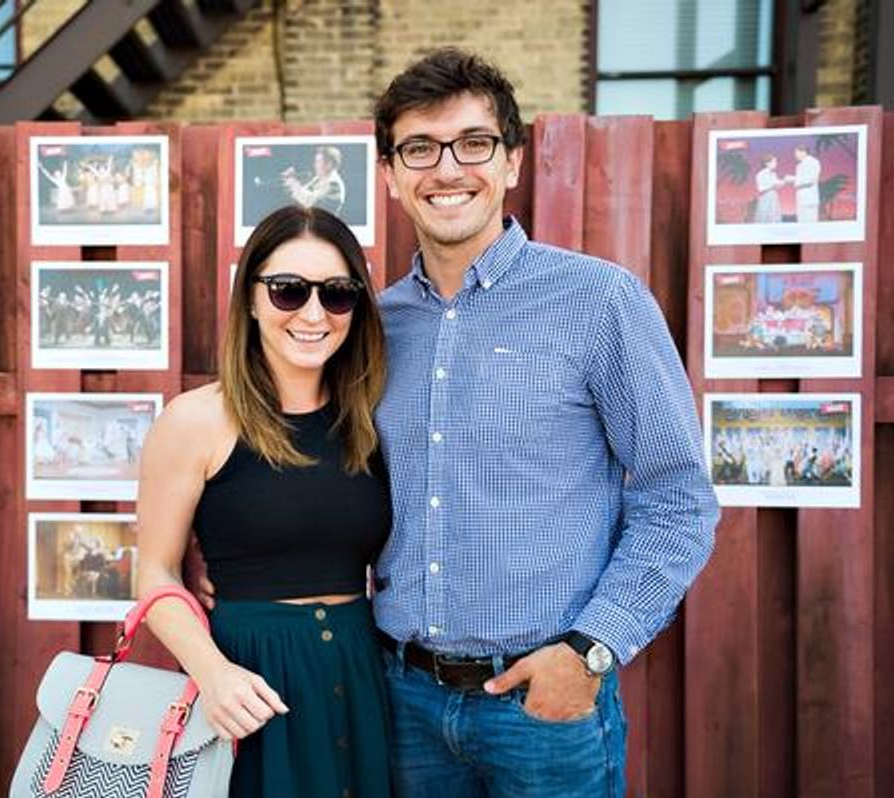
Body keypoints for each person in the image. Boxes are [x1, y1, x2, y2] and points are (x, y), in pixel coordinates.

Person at [359, 48, 720, 798]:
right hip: (404, 702)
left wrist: (590, 652)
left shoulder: (599, 303)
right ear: (391, 175)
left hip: (543, 705)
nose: (447, 168)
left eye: (474, 143)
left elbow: (677, 498)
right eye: (419, 148)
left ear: (512, 162)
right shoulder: (374, 327)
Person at [137, 205, 392, 798]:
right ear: (250, 298)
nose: (312, 313)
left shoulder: (371, 417)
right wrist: (212, 671)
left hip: (358, 672)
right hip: (247, 680)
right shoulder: (196, 420)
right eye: (287, 291)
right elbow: (154, 571)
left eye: (336, 294)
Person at [282, 145, 346, 215]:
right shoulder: (318, 179)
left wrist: (294, 184)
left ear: (329, 164)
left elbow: (312, 202)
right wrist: (291, 182)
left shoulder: (334, 184)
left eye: (318, 161)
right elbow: (301, 197)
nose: (315, 165)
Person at [790, 144, 821, 223]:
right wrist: (793, 180)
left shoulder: (813, 162)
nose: (795, 155)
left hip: (810, 199)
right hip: (800, 199)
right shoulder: (799, 165)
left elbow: (811, 180)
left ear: (803, 152)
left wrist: (793, 179)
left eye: (796, 153)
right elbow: (799, 181)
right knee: (801, 224)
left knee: (810, 225)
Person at [752, 153, 783, 223]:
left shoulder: (773, 174)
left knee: (775, 217)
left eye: (776, 162)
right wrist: (772, 185)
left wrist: (783, 182)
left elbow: (776, 185)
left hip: (773, 197)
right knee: (764, 217)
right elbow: (761, 189)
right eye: (774, 162)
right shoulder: (761, 174)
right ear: (767, 163)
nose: (776, 164)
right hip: (765, 198)